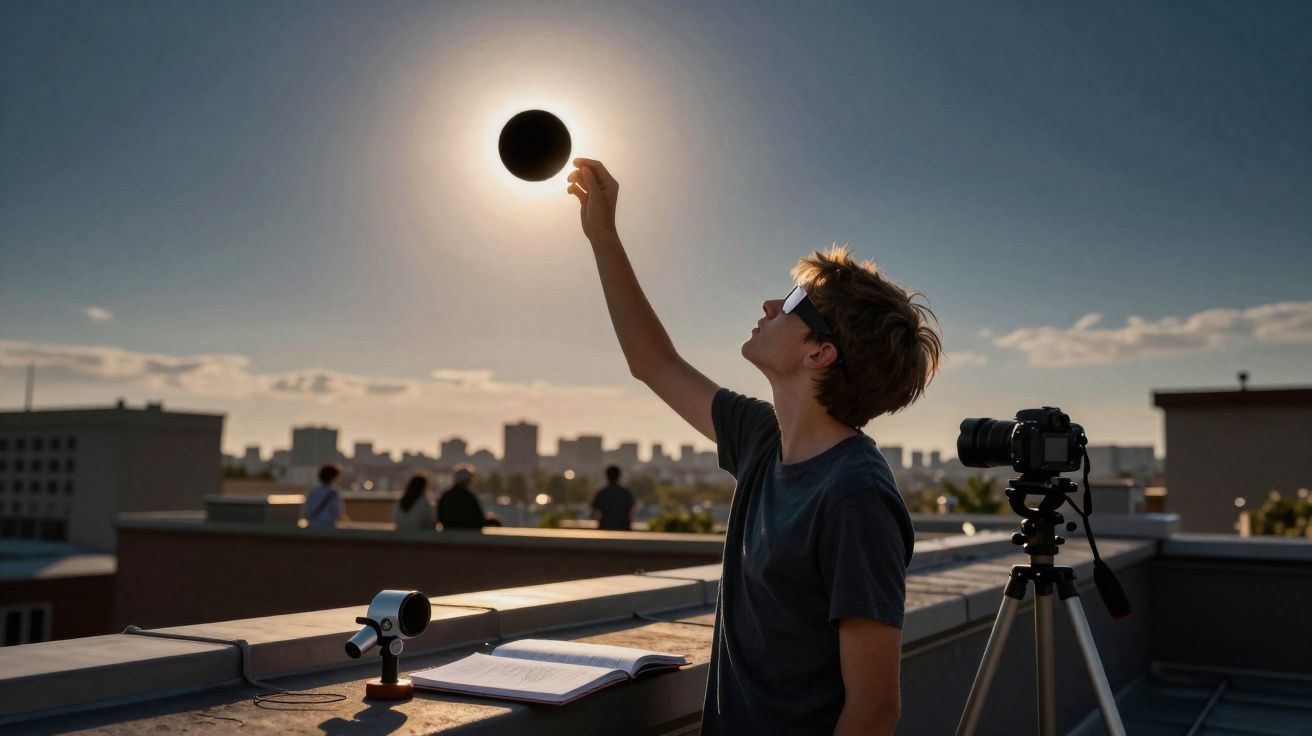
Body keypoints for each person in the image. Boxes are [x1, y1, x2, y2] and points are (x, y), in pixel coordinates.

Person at [567, 158, 941, 735]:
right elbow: (652, 362)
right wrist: (603, 235)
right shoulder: (763, 440)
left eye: (793, 303)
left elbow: (873, 710)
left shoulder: (855, 496)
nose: (771, 305)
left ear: (820, 354)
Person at [437, 465, 501, 530]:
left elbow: (440, 518)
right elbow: (478, 520)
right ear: (467, 481)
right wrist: (492, 520)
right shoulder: (469, 497)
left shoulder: (445, 496)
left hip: (448, 535)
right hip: (468, 536)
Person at [591, 465, 636, 531]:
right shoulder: (626, 493)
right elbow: (631, 512)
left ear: (607, 476)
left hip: (605, 528)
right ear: (619, 476)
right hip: (623, 528)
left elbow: (594, 513)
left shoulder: (602, 493)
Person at [301, 464, 345, 528]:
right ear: (333, 477)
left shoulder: (312, 491)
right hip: (328, 527)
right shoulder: (334, 493)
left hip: (313, 526)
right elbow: (338, 513)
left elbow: (306, 511)